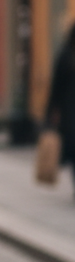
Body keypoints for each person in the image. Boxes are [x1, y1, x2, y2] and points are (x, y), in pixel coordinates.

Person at [47, 22, 75, 199]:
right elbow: (56, 88)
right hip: (69, 112)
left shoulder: (65, 55)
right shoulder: (65, 56)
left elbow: (54, 88)